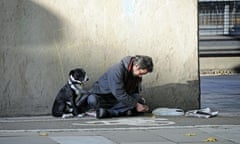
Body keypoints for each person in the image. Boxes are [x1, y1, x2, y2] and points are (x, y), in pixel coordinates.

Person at [87, 55, 153, 119]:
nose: (140, 76)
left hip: (118, 101)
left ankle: (106, 112)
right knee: (92, 99)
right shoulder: (117, 70)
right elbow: (119, 93)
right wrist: (136, 105)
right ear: (136, 66)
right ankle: (117, 112)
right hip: (103, 98)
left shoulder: (136, 76)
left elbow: (134, 93)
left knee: (138, 99)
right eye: (141, 73)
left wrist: (141, 104)